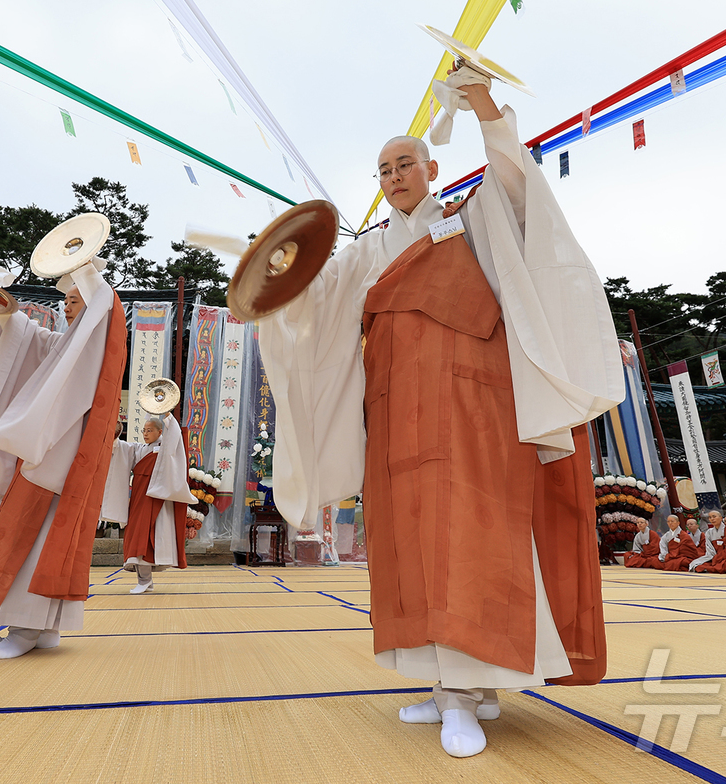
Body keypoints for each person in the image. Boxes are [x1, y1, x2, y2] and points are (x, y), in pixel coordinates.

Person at [246, 67, 623, 758]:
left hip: (471, 405)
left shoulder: (465, 221)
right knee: (409, 543)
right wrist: (270, 271)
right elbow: (312, 303)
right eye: (383, 169)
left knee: (468, 533)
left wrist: (482, 105)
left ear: (431, 168)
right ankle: (456, 684)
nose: (394, 176)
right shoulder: (364, 251)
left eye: (404, 163)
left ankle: (465, 691)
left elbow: (518, 193)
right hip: (394, 412)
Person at [0, 265, 128, 660]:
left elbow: (101, 307)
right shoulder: (67, 346)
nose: (67, 304)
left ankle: (26, 625)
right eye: (66, 299)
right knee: (44, 535)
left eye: (76, 299)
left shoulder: (94, 344)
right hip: (49, 454)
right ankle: (45, 626)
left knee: (36, 533)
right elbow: (29, 340)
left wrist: (85, 265)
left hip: (56, 453)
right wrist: (4, 309)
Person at [113, 414, 192, 593]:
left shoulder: (165, 449)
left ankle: (145, 581)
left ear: (160, 432)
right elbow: (121, 449)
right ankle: (145, 580)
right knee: (136, 535)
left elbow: (175, 436)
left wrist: (165, 413)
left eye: (150, 430)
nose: (145, 434)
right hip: (139, 498)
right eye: (144, 430)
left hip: (155, 500)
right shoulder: (139, 449)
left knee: (145, 537)